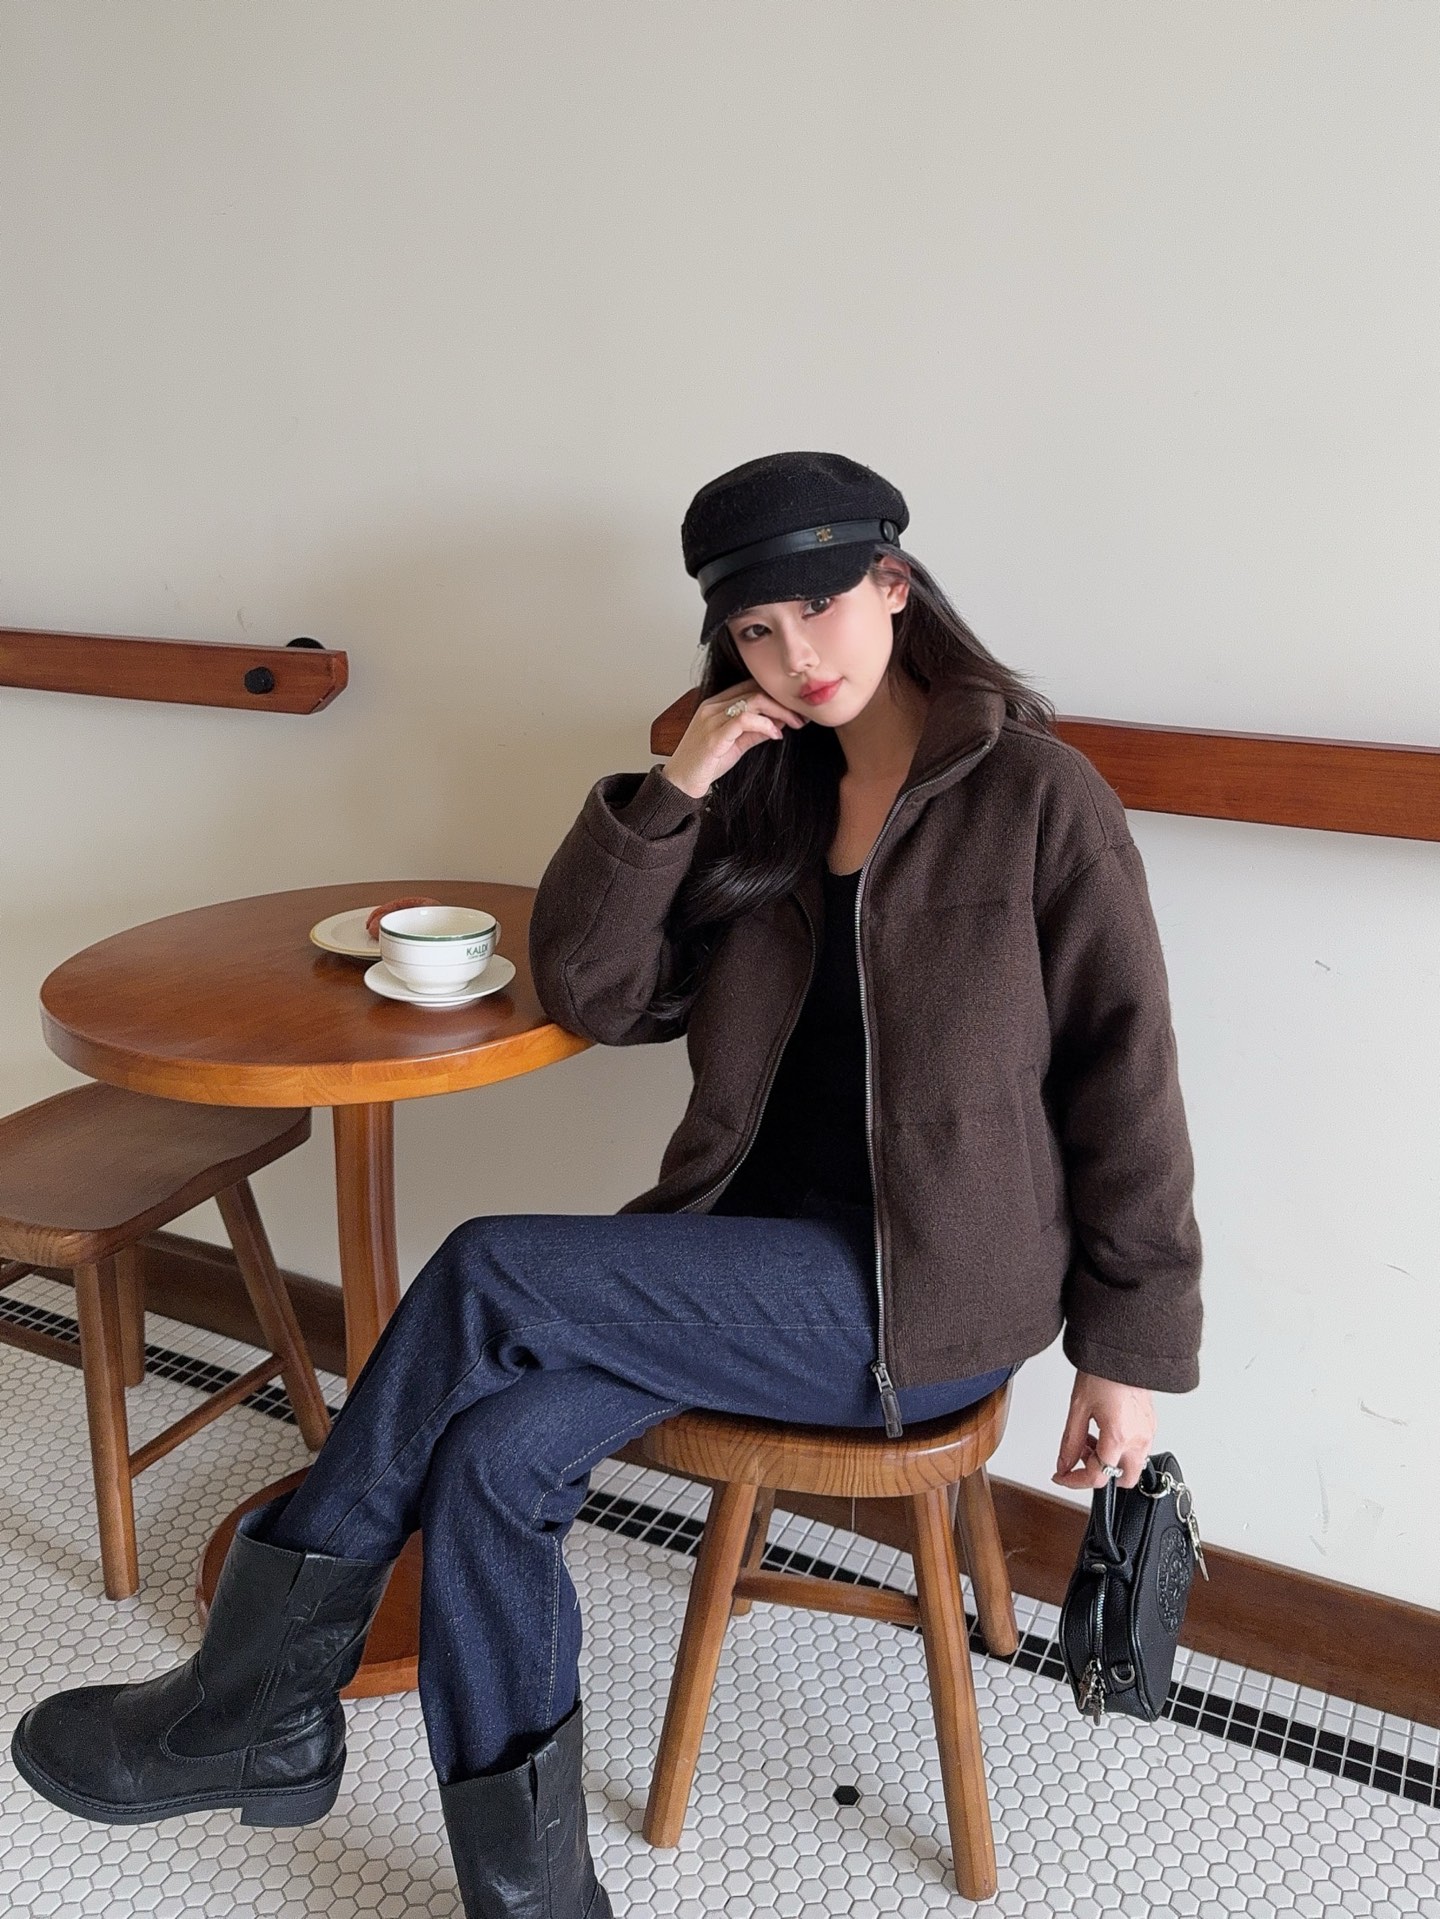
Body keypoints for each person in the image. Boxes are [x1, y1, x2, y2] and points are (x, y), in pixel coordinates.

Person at [8, 450, 1203, 1919]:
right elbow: (592, 986)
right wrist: (678, 786)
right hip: (733, 1262)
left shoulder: (1037, 799)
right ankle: (533, 1897)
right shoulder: (763, 793)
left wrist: (1128, 1354)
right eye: (756, 630)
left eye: (822, 607)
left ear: (895, 586)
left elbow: (1127, 1075)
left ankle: (252, 1701)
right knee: (491, 1456)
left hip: (921, 1299)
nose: (797, 655)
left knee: (486, 1269)